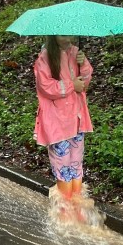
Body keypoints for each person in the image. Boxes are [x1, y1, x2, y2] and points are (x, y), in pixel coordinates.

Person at [33, 35, 95, 222]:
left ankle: (77, 205)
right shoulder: (45, 58)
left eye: (69, 33)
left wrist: (83, 65)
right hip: (57, 123)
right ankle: (64, 209)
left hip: (76, 119)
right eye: (62, 33)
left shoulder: (76, 53)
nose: (67, 37)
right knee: (62, 165)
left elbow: (83, 84)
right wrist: (71, 85)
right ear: (53, 35)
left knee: (76, 163)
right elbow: (45, 87)